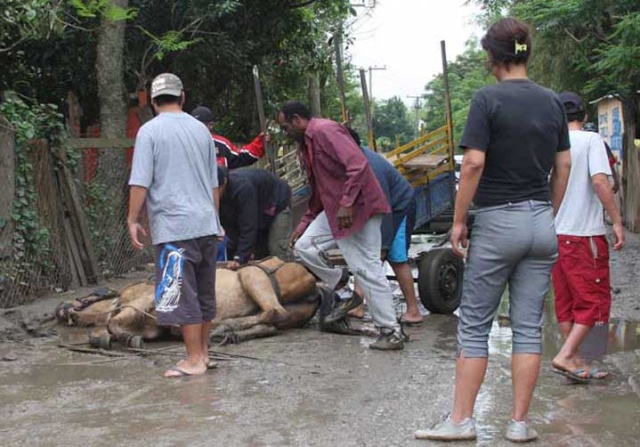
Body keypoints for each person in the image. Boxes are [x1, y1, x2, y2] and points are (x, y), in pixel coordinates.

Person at [414, 18, 572, 442]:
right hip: (541, 223)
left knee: (475, 325)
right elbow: (564, 167)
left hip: (498, 222)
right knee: (527, 327)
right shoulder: (552, 102)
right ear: (525, 53)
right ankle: (519, 425)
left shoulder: (487, 99)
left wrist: (460, 220)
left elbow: (473, 163)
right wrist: (546, 212)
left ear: (491, 57)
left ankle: (461, 420)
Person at [277, 101, 407, 350]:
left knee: (367, 268)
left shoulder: (326, 131)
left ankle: (391, 331)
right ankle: (345, 289)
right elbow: (319, 191)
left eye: (285, 127)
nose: (285, 133)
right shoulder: (306, 144)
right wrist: (304, 223)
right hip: (337, 210)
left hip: (360, 207)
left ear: (296, 120)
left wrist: (347, 203)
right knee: (305, 246)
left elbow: (358, 165)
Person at [127, 73, 222, 378]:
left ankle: (193, 360)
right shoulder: (201, 131)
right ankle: (204, 355)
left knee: (182, 295)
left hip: (174, 229)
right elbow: (213, 183)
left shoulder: (149, 132)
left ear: (154, 102)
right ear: (182, 97)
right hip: (206, 225)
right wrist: (215, 220)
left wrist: (132, 219)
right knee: (205, 293)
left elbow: (140, 181)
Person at [551, 92, 625, 383]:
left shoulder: (551, 143)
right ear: (583, 116)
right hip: (584, 235)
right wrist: (617, 221)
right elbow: (599, 181)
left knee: (567, 302)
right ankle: (566, 354)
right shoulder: (591, 141)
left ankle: (576, 362)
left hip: (555, 235)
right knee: (593, 301)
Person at [345, 128, 422, 325]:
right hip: (379, 209)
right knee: (367, 257)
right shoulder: (353, 161)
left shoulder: (371, 166)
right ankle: (357, 305)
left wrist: (383, 245)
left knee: (396, 258)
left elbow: (385, 205)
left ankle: (413, 311)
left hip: (398, 207)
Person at [217, 166, 292, 269]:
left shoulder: (242, 187)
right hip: (259, 211)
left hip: (277, 203)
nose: (214, 193)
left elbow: (249, 225)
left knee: (277, 248)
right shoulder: (215, 197)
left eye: (217, 189)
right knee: (260, 257)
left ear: (224, 182)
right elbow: (230, 228)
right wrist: (242, 253)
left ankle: (294, 277)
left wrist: (240, 258)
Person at [191, 105, 266, 169]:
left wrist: (261, 141)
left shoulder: (222, 145)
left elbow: (241, 157)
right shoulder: (184, 143)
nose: (196, 128)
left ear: (211, 125)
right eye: (193, 125)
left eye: (200, 125)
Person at [583, 122, 620, 194]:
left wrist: (615, 180)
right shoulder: (600, 143)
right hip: (590, 181)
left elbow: (610, 162)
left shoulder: (601, 144)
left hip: (597, 180)